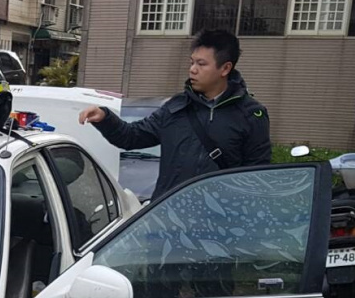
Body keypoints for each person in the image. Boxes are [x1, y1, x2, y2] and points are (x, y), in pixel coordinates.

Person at [77, 29, 270, 200]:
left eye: (201, 64)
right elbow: (131, 137)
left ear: (225, 68)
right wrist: (105, 118)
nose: (192, 69)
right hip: (170, 217)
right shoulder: (176, 108)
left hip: (221, 222)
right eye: (192, 62)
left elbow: (256, 177)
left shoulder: (251, 115)